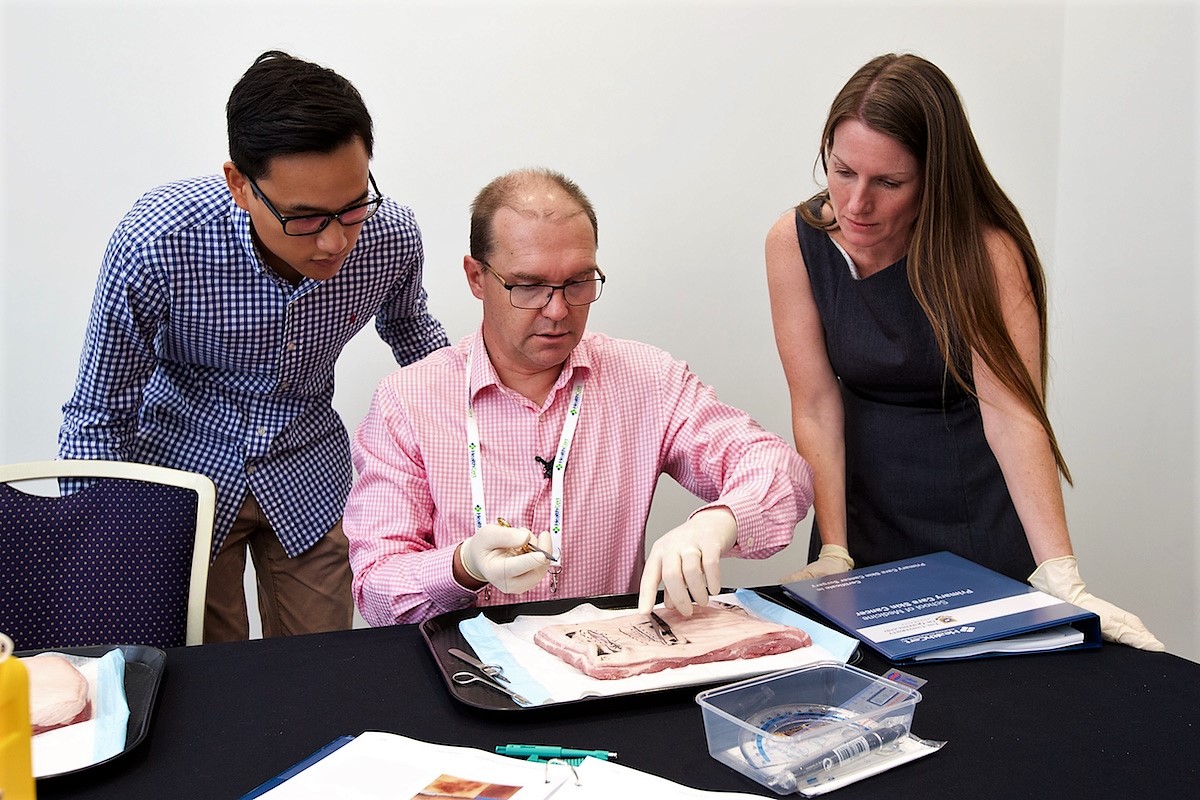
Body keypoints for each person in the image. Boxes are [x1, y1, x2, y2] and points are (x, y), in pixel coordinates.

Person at [765, 53, 1162, 650]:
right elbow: (817, 406)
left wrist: (1060, 572)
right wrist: (834, 550)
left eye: (889, 183)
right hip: (860, 511)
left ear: (935, 177)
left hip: (973, 514)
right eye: (843, 171)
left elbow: (1012, 414)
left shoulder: (986, 252)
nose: (856, 204)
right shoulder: (794, 243)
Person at [59, 51, 450, 642]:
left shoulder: (390, 237)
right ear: (240, 185)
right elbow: (99, 412)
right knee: (207, 673)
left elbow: (412, 334)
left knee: (323, 664)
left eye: (352, 207)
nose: (335, 241)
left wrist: (468, 441)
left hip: (307, 468)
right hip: (181, 474)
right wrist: (107, 548)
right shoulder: (158, 242)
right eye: (304, 218)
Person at [343, 167, 813, 626]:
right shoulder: (409, 402)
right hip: (465, 664)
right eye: (529, 286)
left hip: (606, 658)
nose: (557, 310)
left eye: (578, 283)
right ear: (476, 277)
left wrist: (718, 523)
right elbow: (375, 589)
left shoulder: (646, 380)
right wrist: (462, 565)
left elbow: (780, 470)